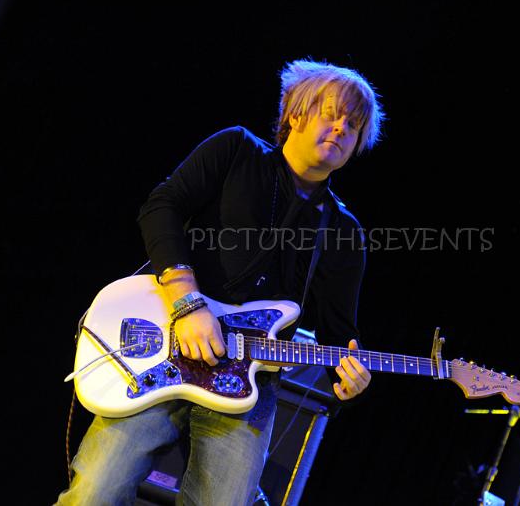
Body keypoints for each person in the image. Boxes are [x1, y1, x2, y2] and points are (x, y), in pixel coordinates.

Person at [56, 58, 384, 505]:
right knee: (98, 489)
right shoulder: (236, 150)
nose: (341, 128)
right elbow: (162, 207)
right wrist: (188, 303)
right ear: (295, 115)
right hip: (164, 345)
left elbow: (338, 333)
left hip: (247, 386)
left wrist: (348, 384)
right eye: (331, 113)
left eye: (354, 124)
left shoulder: (343, 231)